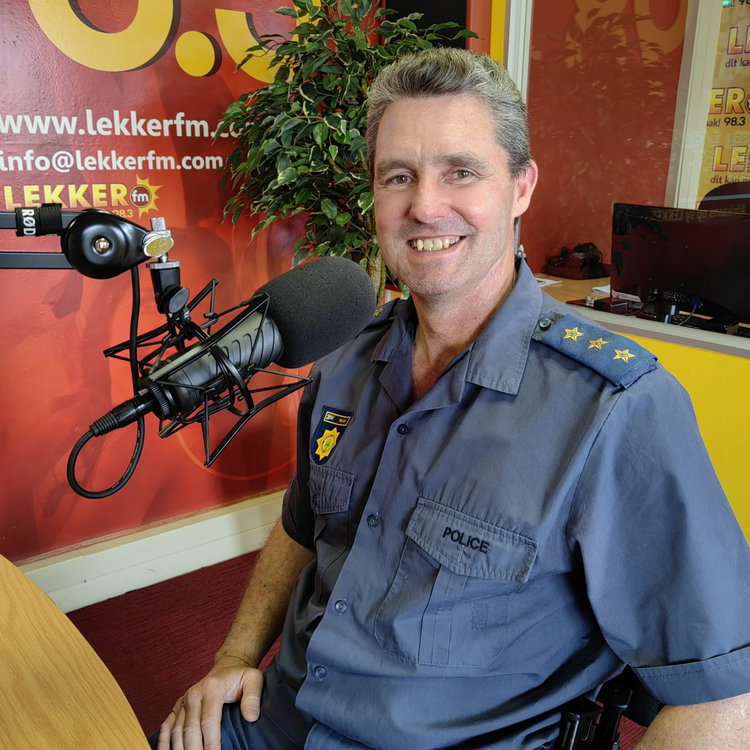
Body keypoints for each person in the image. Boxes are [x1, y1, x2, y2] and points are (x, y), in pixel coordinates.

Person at [153, 48, 750, 750]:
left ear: (521, 187)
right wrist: (232, 657)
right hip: (281, 719)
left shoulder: (616, 410)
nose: (425, 206)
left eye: (460, 172)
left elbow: (725, 701)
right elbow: (301, 526)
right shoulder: (345, 361)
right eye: (398, 176)